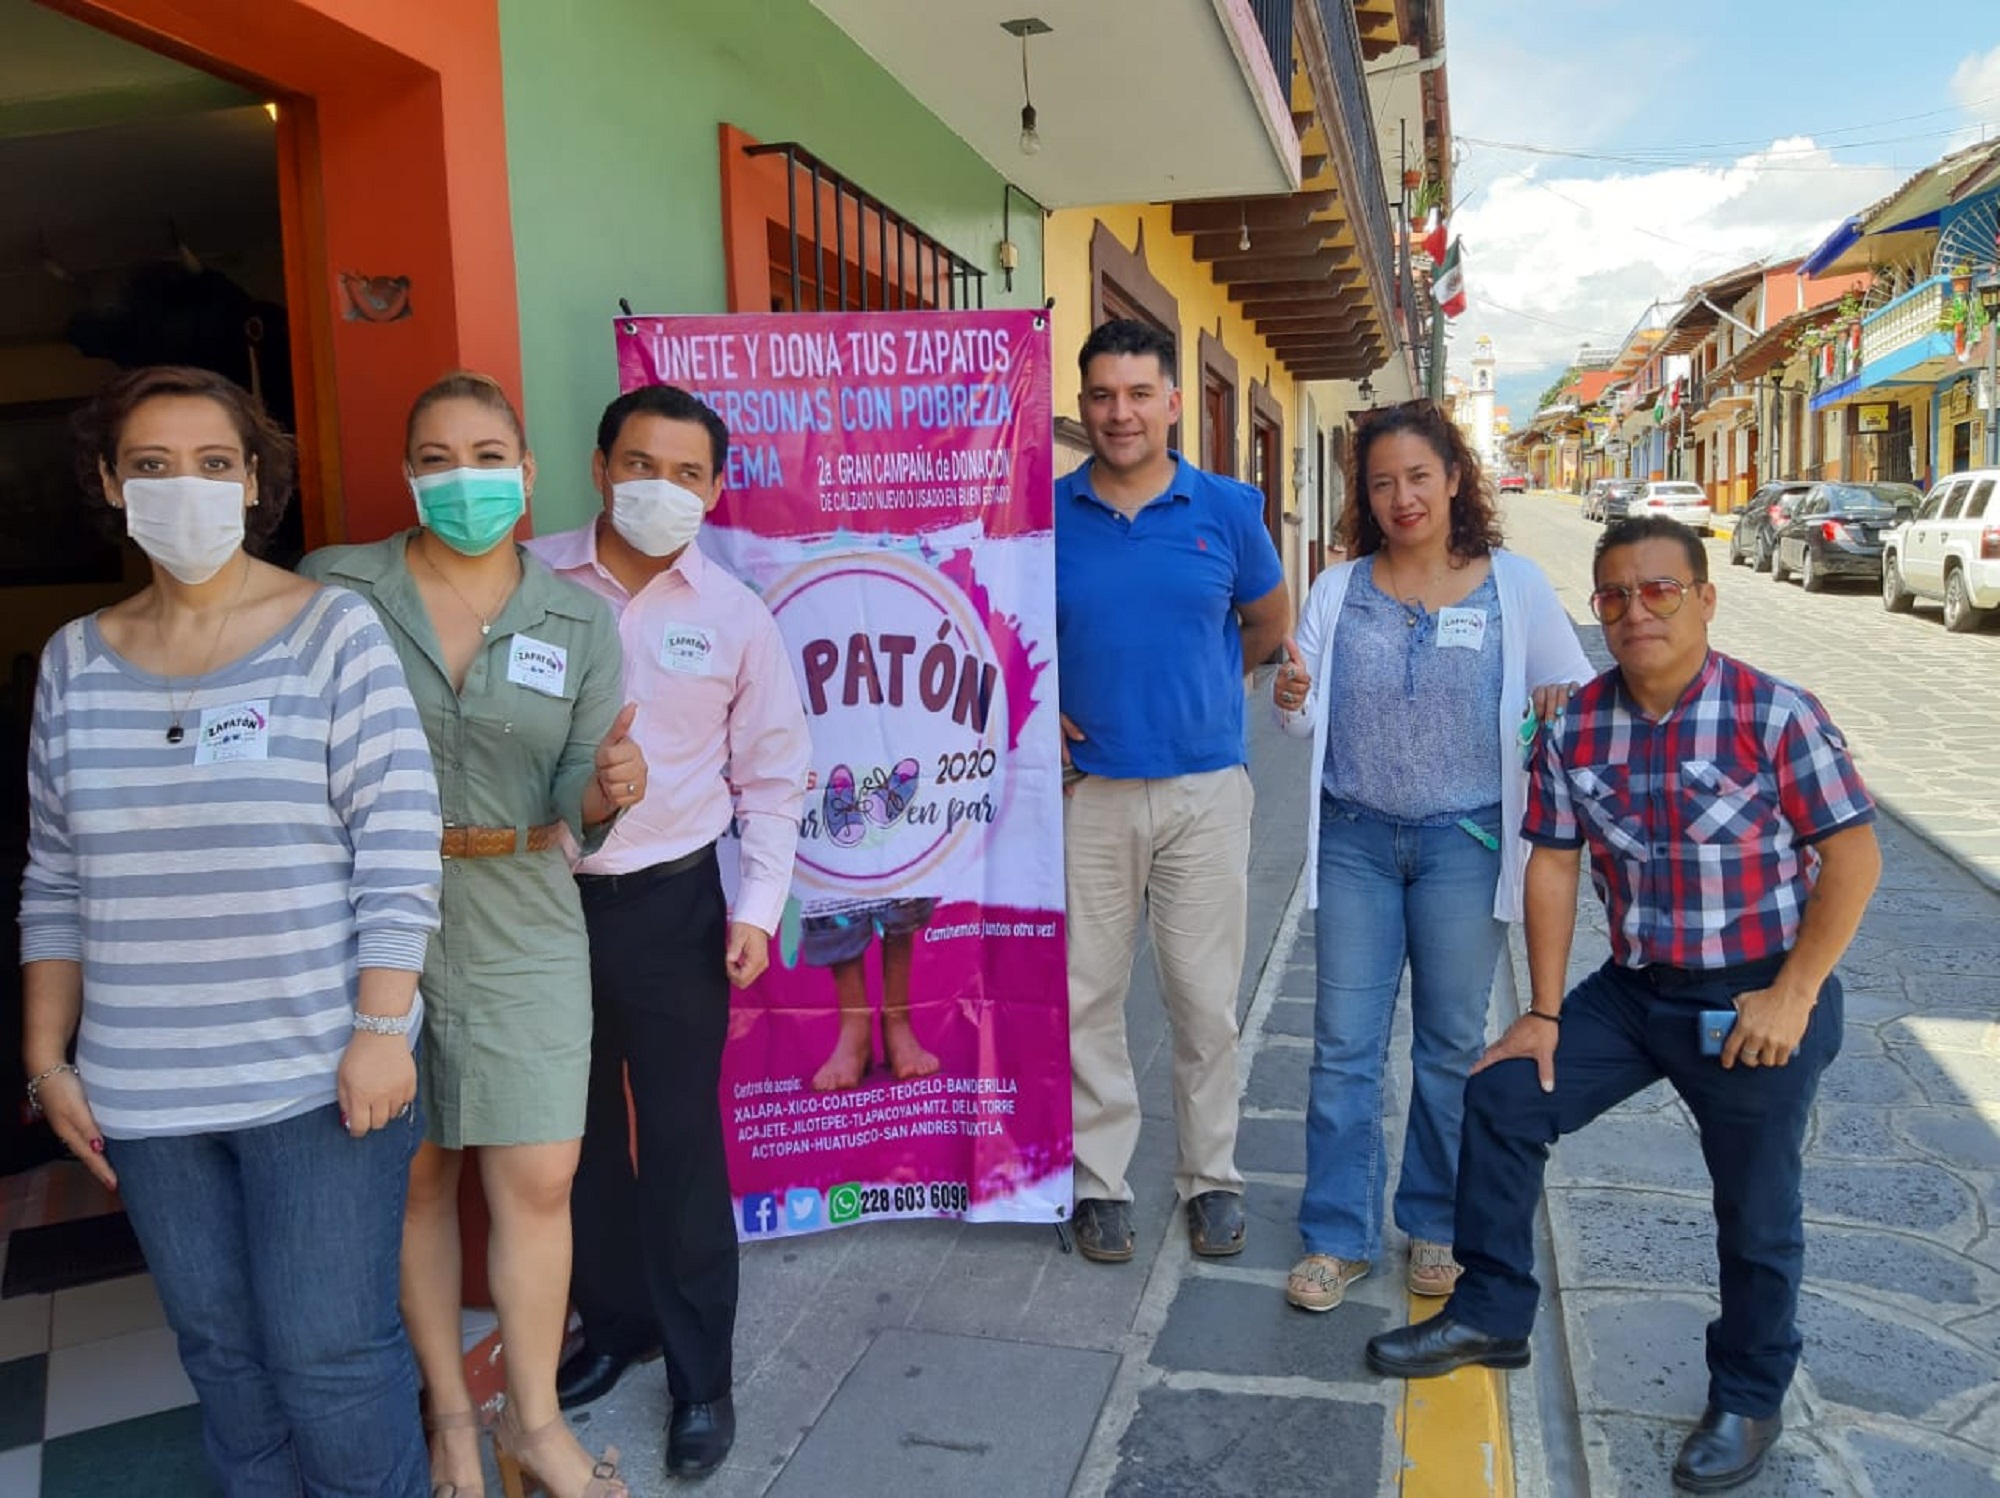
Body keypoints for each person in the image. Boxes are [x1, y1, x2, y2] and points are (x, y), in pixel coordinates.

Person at [1365, 516, 1881, 1495]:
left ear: (1702, 597)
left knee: (1756, 1209)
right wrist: (1544, 1011)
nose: (1633, 611)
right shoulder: (1577, 724)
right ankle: (1490, 1311)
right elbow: (1552, 862)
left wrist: (1794, 993)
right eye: (1612, 595)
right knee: (1505, 1095)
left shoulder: (1773, 715)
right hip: (1638, 989)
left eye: (1657, 590)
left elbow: (1852, 858)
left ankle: (1747, 1389)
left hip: (1756, 990)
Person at [20, 365, 442, 1495]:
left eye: (213, 463)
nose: (184, 488)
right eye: (151, 466)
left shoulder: (330, 633)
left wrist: (380, 1027)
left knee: (331, 1359)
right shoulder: (73, 661)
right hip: (145, 1094)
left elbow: (398, 847)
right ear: (110, 484)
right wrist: (46, 1058)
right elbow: (54, 875)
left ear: (256, 481)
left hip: (318, 1074)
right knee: (225, 1361)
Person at [300, 373, 639, 1498]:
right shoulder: (336, 588)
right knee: (414, 1173)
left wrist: (610, 790)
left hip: (521, 910)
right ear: (407, 472)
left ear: (528, 472)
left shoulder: (579, 617)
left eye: (488, 453)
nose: (464, 477)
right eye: (437, 455)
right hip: (364, 915)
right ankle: (451, 1416)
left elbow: (574, 797)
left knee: (541, 1171)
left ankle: (532, 1422)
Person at [530, 385, 808, 1479]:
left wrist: (753, 909)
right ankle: (615, 1327)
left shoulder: (736, 614)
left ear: (715, 488)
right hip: (538, 910)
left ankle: (701, 1379)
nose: (661, 487)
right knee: (571, 1139)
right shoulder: (526, 586)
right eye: (639, 463)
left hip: (671, 905)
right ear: (598, 466)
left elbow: (774, 778)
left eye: (687, 472)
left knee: (683, 1148)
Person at [1272, 400, 1590, 1313]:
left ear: (1455, 478)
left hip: (1467, 842)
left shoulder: (1515, 586)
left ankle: (1436, 1224)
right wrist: (1293, 697)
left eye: (1419, 476)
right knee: (1343, 1048)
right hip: (1357, 842)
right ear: (1364, 497)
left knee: (1451, 1046)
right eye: (1382, 483)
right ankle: (1338, 1235)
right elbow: (1301, 725)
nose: (1402, 496)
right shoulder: (1339, 590)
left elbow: (1562, 694)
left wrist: (1554, 710)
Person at [1055, 319, 1290, 1263]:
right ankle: (1099, 1182)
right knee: (1087, 996)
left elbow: (1268, 621)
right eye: (1104, 395)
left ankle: (1211, 1178)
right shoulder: (1046, 511)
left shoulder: (1228, 507)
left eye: (1140, 394)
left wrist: (1204, 695)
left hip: (1203, 792)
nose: (1122, 413)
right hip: (1087, 794)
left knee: (1202, 1000)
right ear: (1083, 405)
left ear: (1174, 403)